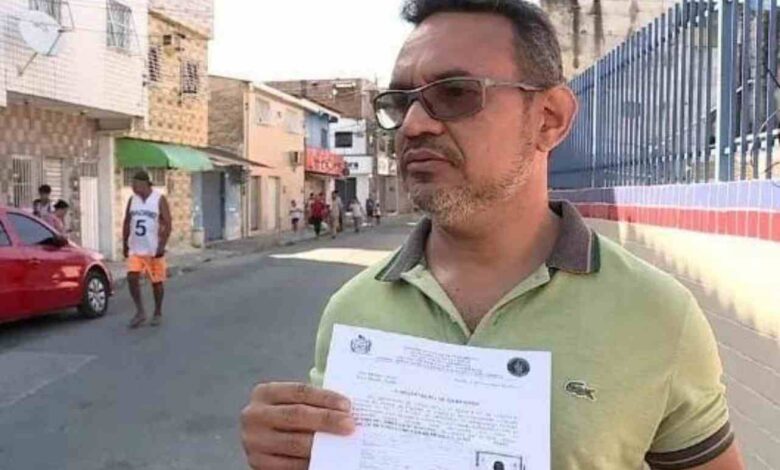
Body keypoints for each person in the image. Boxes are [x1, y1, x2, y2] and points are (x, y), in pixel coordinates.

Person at [240, 1, 744, 469]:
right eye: (400, 102)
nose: (413, 125)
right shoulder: (353, 311)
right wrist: (288, 451)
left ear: (549, 119)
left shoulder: (656, 314)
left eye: (455, 93)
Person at [123, 170, 172, 329]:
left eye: (135, 183)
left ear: (145, 183)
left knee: (156, 282)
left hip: (153, 249)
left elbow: (168, 223)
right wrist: (124, 243)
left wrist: (162, 245)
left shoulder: (159, 199)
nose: (133, 186)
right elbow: (127, 222)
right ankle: (140, 311)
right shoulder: (133, 200)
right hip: (136, 249)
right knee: (132, 277)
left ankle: (157, 312)